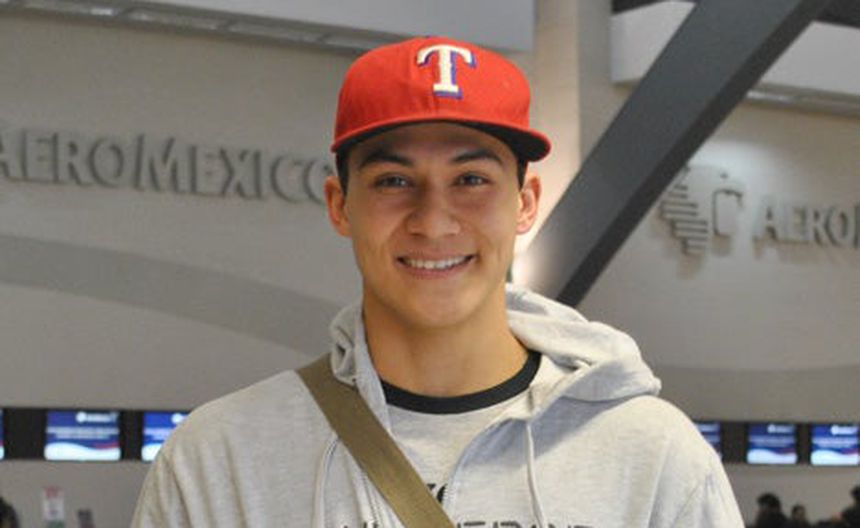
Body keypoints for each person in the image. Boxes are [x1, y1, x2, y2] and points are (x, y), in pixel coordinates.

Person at [132, 35, 743, 527]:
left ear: (526, 202)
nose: (434, 221)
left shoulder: (652, 455)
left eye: (471, 180)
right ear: (340, 205)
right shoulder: (220, 458)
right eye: (394, 181)